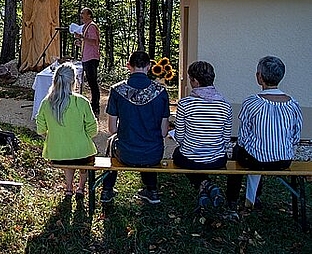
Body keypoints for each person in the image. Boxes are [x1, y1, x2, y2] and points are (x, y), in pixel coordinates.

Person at [225, 56, 303, 214]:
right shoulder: (294, 104)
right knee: (248, 153)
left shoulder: (251, 102)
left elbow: (243, 138)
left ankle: (232, 199)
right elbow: (295, 137)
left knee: (238, 152)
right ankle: (254, 197)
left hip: (255, 161)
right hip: (284, 160)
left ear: (259, 77)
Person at [100, 51, 170, 205]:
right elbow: (164, 132)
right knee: (149, 143)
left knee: (112, 142)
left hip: (126, 153)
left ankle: (107, 190)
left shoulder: (117, 90)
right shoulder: (161, 92)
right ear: (149, 66)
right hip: (153, 154)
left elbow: (112, 129)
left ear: (128, 66)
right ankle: (152, 190)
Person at [172, 61, 232, 208]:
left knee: (177, 155)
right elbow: (226, 139)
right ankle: (206, 186)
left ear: (196, 82)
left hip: (190, 158)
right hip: (217, 159)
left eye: (190, 79)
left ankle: (203, 185)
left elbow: (179, 137)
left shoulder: (185, 104)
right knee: (192, 158)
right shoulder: (225, 105)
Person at [36, 62, 98, 200]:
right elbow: (93, 129)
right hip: (82, 153)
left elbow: (40, 129)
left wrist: (55, 136)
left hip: (57, 153)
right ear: (74, 81)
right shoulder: (81, 102)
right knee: (83, 158)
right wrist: (83, 136)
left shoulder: (46, 103)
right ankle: (81, 188)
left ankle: (69, 188)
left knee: (69, 158)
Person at [74, 7, 101, 116]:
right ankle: (93, 103)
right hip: (86, 58)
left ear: (89, 15)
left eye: (83, 13)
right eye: (80, 13)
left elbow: (94, 41)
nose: (81, 15)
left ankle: (95, 105)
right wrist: (80, 42)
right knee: (90, 82)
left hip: (91, 58)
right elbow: (88, 43)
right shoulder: (86, 27)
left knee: (92, 82)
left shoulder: (92, 26)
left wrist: (82, 37)